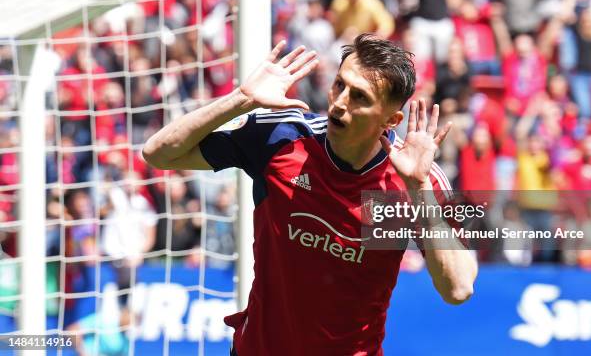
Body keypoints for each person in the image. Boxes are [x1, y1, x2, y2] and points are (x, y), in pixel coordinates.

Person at [142, 34, 478, 355]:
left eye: (359, 97)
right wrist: (240, 99)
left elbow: (458, 288)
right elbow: (159, 153)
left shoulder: (413, 181)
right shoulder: (283, 137)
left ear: (390, 119)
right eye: (339, 85)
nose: (340, 102)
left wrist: (419, 191)